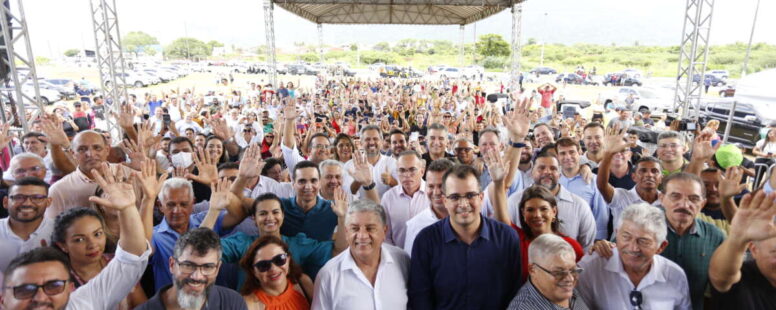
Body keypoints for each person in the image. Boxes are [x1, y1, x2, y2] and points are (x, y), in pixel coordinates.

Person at [1, 162, 150, 310]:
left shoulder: (81, 303)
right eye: (25, 290)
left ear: (70, 288)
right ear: (3, 299)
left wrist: (127, 208)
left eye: (54, 286)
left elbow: (132, 257)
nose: (40, 298)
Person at [409, 165, 522, 309]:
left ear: (481, 197)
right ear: (445, 201)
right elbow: (420, 298)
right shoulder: (425, 241)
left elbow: (514, 293)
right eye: (455, 197)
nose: (463, 204)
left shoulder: (506, 238)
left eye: (470, 195)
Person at [576, 203, 691, 309]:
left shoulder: (675, 275)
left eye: (643, 241)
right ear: (617, 234)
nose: (633, 248)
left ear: (661, 247)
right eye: (626, 237)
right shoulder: (591, 268)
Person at [312, 199, 410, 310]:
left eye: (370, 228)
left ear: (384, 231)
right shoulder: (328, 275)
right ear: (346, 232)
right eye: (355, 228)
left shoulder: (403, 260)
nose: (362, 236)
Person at [150, 177, 242, 292]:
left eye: (184, 204)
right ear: (160, 206)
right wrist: (147, 199)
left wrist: (214, 184)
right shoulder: (154, 235)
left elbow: (238, 214)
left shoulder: (204, 218)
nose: (177, 210)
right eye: (171, 205)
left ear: (193, 203)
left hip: (213, 300)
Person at [52, 207, 147, 309]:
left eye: (97, 234)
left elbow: (143, 306)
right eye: (79, 240)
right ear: (63, 245)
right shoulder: (57, 280)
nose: (92, 244)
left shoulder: (120, 263)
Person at [137, 228, 248, 309]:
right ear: (172, 265)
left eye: (208, 267)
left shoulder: (233, 302)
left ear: (218, 268)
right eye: (188, 265)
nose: (197, 276)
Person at [507, 153, 597, 249]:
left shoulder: (579, 205)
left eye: (553, 168)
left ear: (560, 174)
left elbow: (587, 247)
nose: (547, 172)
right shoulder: (514, 201)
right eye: (541, 168)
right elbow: (507, 238)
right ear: (531, 173)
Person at [708, 190, 776, 309]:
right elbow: (720, 277)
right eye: (775, 254)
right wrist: (737, 238)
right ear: (754, 250)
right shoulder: (743, 279)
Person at [46, 130, 131, 219]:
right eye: (82, 149)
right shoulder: (59, 191)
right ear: (73, 153)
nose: (90, 154)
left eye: (97, 148)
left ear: (107, 150)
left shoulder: (130, 175)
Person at [597, 127, 663, 228]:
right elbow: (602, 186)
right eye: (643, 171)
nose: (649, 175)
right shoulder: (622, 197)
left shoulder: (667, 201)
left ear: (661, 178)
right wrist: (608, 154)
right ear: (634, 176)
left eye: (654, 171)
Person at [506, 234, 589, 310]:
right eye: (558, 273)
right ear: (533, 270)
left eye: (573, 270)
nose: (570, 278)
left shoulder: (564, 291)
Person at [0, 177, 55, 279]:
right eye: (19, 197)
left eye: (37, 197)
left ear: (48, 202)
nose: (27, 203)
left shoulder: (60, 231)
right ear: (5, 202)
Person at [238, 235, 313, 309]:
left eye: (279, 260)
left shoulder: (303, 282)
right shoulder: (248, 304)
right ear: (253, 271)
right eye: (263, 265)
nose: (273, 269)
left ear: (288, 259)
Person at [555, 138, 609, 239]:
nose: (568, 157)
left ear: (579, 152)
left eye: (572, 152)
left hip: (586, 241)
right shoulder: (553, 179)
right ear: (557, 156)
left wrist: (599, 241)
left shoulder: (594, 180)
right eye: (562, 153)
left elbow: (601, 215)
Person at [403, 158, 454, 255]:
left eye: (442, 186)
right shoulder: (415, 225)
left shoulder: (468, 218)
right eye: (431, 186)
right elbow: (411, 265)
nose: (436, 192)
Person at [381, 151, 429, 247]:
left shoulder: (433, 194)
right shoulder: (388, 198)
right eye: (402, 170)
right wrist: (396, 256)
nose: (407, 175)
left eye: (412, 170)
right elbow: (385, 235)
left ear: (422, 171)